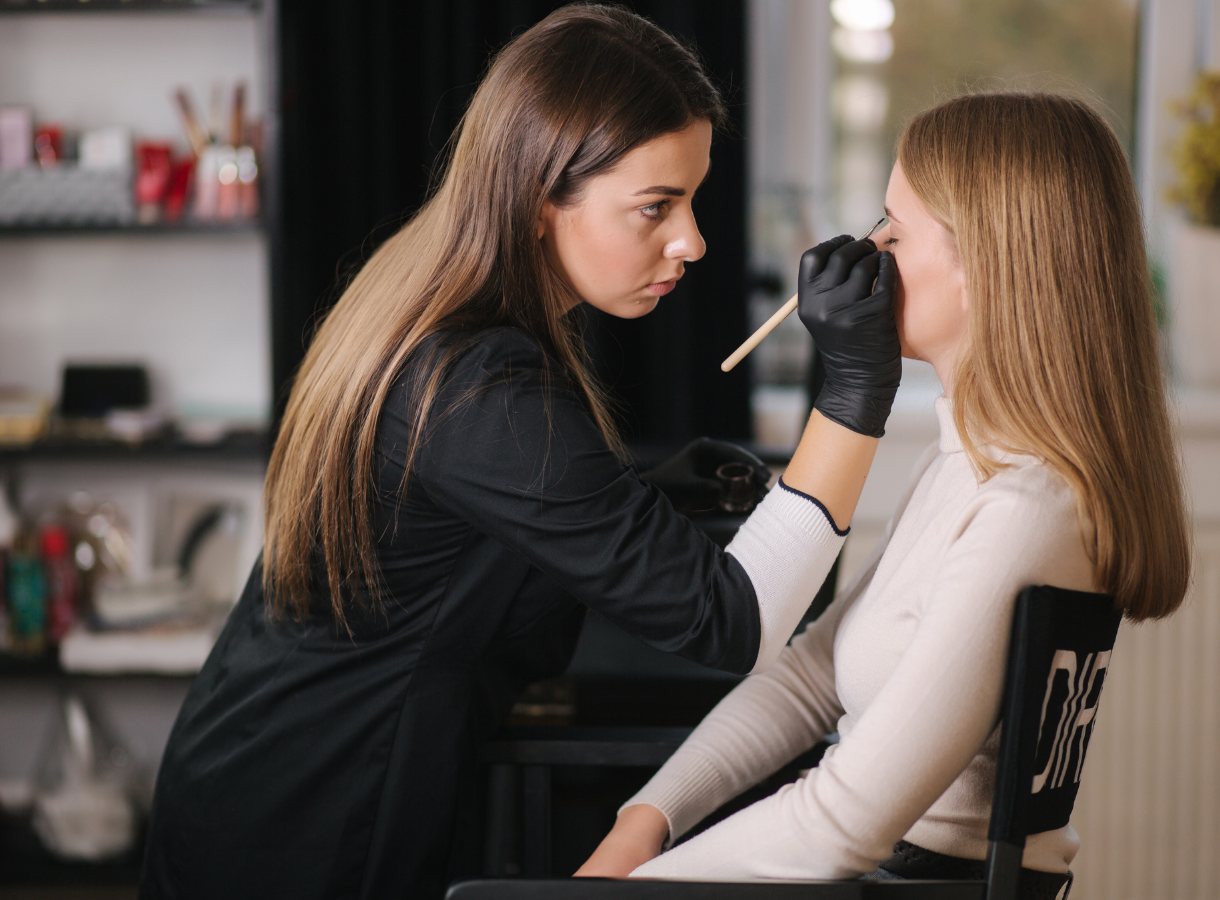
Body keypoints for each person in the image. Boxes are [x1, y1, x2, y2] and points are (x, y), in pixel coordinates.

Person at [139, 6, 902, 899]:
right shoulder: (480, 387)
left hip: (251, 766)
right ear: (542, 200)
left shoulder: (430, 302)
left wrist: (650, 496)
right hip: (305, 819)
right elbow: (733, 623)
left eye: (690, 201)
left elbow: (463, 534)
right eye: (656, 206)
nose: (691, 241)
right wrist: (855, 391)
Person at [577, 91, 1192, 898]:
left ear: (987, 265)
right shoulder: (968, 467)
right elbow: (811, 678)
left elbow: (841, 823)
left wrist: (605, 893)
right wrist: (647, 818)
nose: (868, 252)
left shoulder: (1024, 510)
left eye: (892, 232)